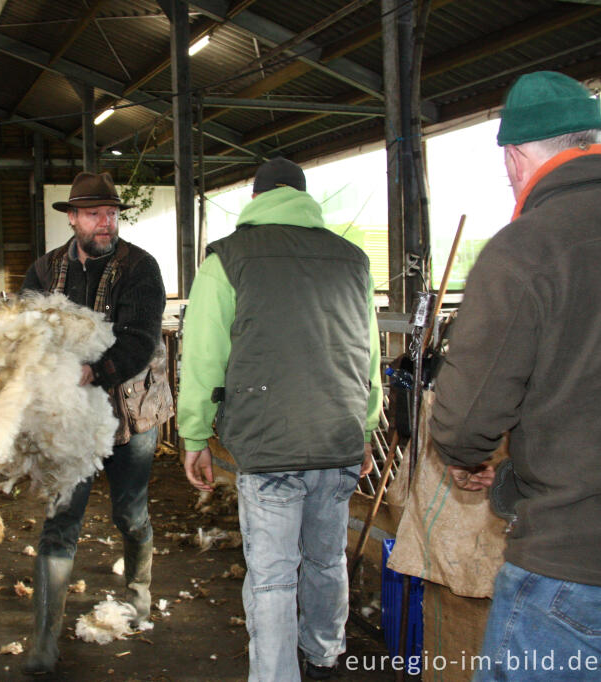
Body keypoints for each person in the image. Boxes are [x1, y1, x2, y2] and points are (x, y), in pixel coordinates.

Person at [429, 71, 601, 680]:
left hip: (575, 568)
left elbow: (467, 418)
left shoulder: (526, 250)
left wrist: (468, 456)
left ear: (516, 155)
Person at [177, 158, 381, 681]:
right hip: (337, 435)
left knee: (271, 578)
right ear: (305, 198)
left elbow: (202, 356)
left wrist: (194, 434)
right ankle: (324, 657)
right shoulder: (353, 260)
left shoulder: (227, 258)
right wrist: (365, 432)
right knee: (326, 559)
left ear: (257, 197)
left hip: (270, 446)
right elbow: (368, 357)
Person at [19, 171, 170, 675]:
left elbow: (139, 338)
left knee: (130, 514)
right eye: (94, 214)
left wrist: (93, 369)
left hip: (130, 408)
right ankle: (44, 639)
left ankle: (139, 591)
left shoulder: (140, 268)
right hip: (71, 417)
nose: (106, 223)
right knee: (61, 521)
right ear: (73, 218)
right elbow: (27, 330)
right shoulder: (44, 271)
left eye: (111, 213)